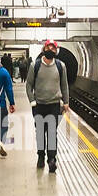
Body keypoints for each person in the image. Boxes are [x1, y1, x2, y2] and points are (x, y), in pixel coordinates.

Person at [27, 39, 69, 173]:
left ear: (56, 51)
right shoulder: (35, 65)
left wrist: (66, 102)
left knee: (52, 132)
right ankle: (40, 155)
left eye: (53, 48)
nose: (50, 50)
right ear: (43, 49)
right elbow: (29, 85)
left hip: (54, 105)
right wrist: (32, 101)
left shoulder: (60, 66)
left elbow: (64, 85)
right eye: (48, 47)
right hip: (39, 105)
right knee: (40, 131)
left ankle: (52, 159)